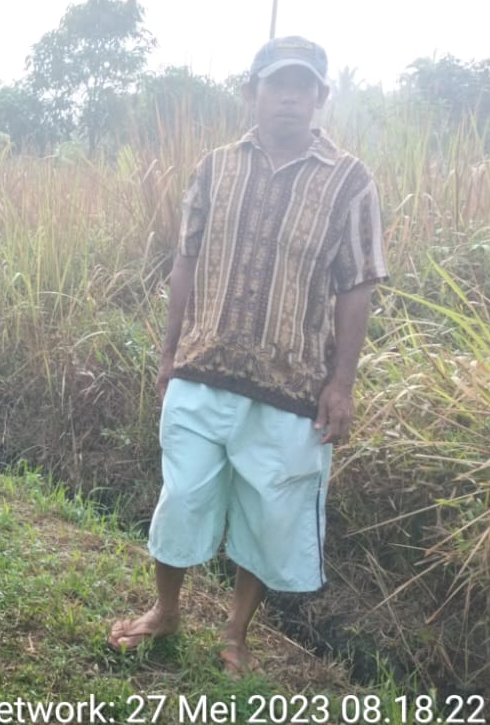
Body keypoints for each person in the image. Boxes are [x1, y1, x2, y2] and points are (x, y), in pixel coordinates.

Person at [107, 36, 388, 676]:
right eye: (275, 83)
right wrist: (168, 351)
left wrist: (340, 385)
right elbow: (186, 260)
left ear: (321, 97)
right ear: (251, 91)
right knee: (181, 498)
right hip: (202, 369)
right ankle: (166, 610)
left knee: (269, 514)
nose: (289, 96)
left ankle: (234, 634)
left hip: (291, 388)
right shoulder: (215, 167)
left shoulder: (350, 181)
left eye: (303, 86)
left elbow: (357, 287)